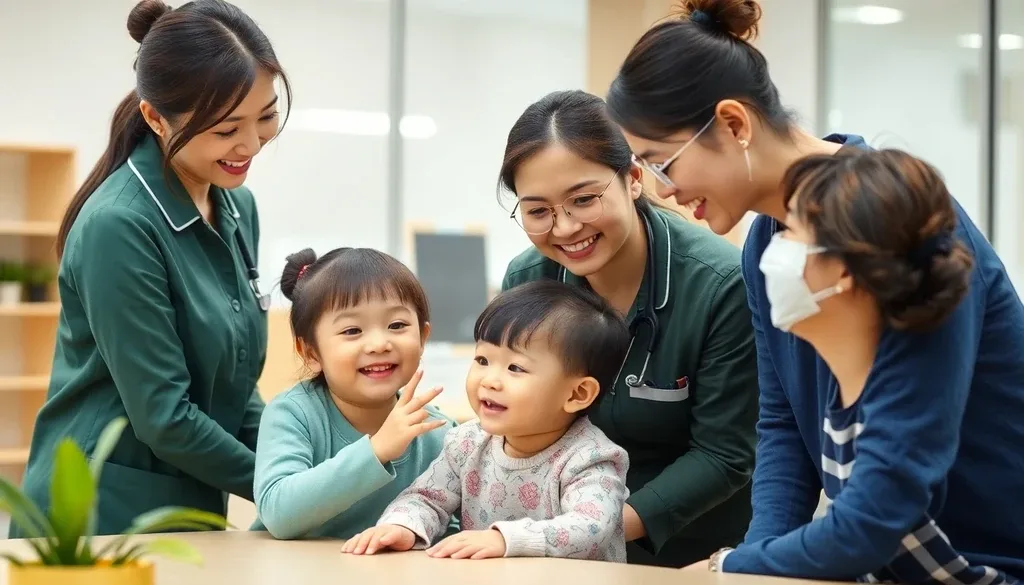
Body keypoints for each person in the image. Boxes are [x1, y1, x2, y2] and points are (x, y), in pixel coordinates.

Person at [605, 0, 1024, 581]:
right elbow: (782, 423)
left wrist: (739, 562)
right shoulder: (764, 248)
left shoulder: (894, 224)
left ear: (733, 124)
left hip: (983, 561)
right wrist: (757, 566)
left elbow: (886, 506)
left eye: (664, 162)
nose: (664, 190)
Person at [11, 0, 292, 537]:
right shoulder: (120, 226)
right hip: (99, 516)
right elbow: (165, 415)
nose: (250, 144)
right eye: (226, 127)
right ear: (155, 118)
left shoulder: (236, 205)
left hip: (187, 502)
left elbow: (231, 387)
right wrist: (295, 491)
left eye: (265, 117)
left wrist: (301, 457)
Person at [497, 90, 759, 567]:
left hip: (693, 558)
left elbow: (724, 455)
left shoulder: (722, 286)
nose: (564, 228)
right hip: (553, 555)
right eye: (538, 211)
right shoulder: (528, 280)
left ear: (634, 180)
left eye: (583, 199)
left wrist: (585, 532)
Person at [342, 280, 631, 562]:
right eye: (482, 360)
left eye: (515, 367)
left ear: (577, 393)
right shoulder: (467, 442)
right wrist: (402, 526)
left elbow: (591, 526)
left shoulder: (590, 458)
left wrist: (504, 539)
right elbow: (426, 498)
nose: (490, 380)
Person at [252, 247, 456, 540]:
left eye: (396, 325)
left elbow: (456, 527)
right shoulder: (292, 413)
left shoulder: (439, 433)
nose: (377, 344)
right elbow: (278, 513)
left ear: (423, 338)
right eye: (352, 331)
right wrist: (377, 450)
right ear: (310, 352)